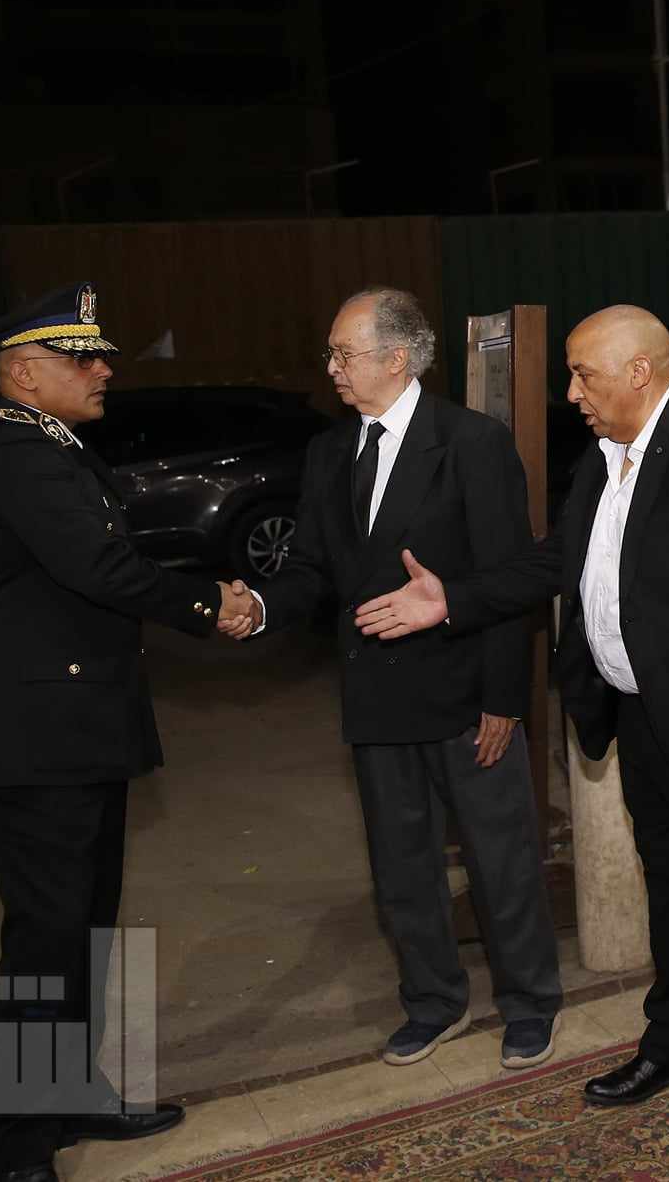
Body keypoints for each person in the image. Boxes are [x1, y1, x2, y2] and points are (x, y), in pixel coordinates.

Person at [351, 304, 669, 1127]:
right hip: (640, 719)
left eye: (583, 374)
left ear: (640, 371)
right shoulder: (603, 459)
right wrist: (449, 599)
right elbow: (552, 563)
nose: (571, 393)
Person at [0, 282, 253, 1182]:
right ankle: (16, 1149)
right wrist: (209, 603)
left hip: (71, 730)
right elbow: (99, 566)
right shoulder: (19, 456)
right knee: (46, 940)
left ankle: (68, 1094)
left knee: (82, 930)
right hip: (35, 741)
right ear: (26, 374)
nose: (105, 368)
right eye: (85, 358)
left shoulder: (51, 447)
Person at [220, 287, 563, 1072]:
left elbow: (510, 578)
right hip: (375, 697)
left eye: (343, 353)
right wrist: (261, 605)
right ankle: (434, 1001)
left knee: (500, 857)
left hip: (467, 695)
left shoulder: (472, 442)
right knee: (401, 866)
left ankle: (530, 1002)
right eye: (332, 354)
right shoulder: (328, 452)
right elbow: (309, 568)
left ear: (397, 358)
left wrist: (505, 698)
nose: (331, 368)